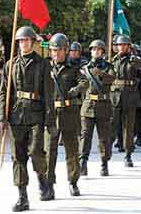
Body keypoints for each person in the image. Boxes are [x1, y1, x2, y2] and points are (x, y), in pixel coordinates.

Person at [0, 26, 53, 212]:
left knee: (36, 151)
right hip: (16, 115)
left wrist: (50, 120)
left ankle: (43, 179)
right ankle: (23, 197)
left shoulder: (43, 64)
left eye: (26, 40)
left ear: (33, 42)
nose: (23, 43)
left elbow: (48, 94)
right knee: (18, 157)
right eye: (20, 41)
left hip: (36, 113)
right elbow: (3, 92)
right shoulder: (10, 64)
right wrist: (1, 116)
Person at [44, 33, 84, 199]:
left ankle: (73, 181)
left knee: (72, 150)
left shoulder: (74, 67)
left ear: (66, 51)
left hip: (69, 113)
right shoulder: (45, 68)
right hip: (51, 114)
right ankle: (48, 185)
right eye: (53, 50)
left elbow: (84, 81)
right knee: (49, 151)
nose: (56, 53)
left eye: (59, 50)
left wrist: (76, 90)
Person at [78, 40, 116, 177]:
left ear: (103, 52)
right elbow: (81, 83)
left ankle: (104, 163)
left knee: (104, 137)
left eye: (99, 50)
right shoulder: (85, 68)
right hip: (88, 105)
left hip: (104, 106)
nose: (96, 52)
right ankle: (83, 162)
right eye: (94, 49)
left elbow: (111, 79)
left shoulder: (108, 67)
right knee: (85, 136)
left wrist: (99, 72)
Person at [110, 35, 141, 168]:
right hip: (116, 96)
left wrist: (135, 59)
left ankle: (128, 154)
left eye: (124, 45)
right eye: (119, 45)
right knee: (111, 125)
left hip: (130, 96)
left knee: (128, 127)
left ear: (129, 46)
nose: (121, 47)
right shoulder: (112, 60)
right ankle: (106, 151)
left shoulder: (133, 60)